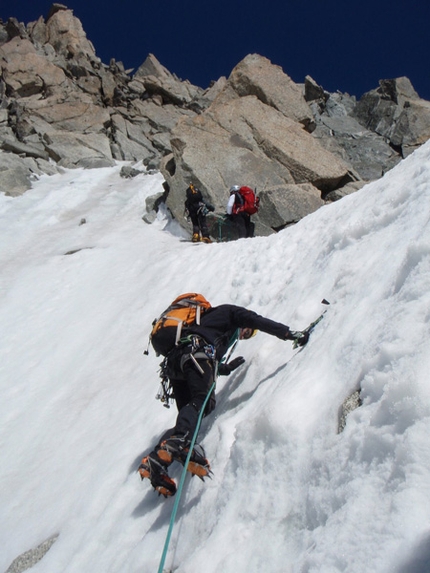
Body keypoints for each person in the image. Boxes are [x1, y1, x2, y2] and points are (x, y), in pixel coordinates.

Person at [139, 302, 309, 497]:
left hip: (177, 364)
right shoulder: (231, 312)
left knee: (191, 412)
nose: (243, 335)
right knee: (202, 402)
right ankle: (179, 443)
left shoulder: (204, 322)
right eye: (247, 333)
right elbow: (259, 321)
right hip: (195, 354)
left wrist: (224, 368)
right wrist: (289, 334)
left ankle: (156, 461)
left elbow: (205, 361)